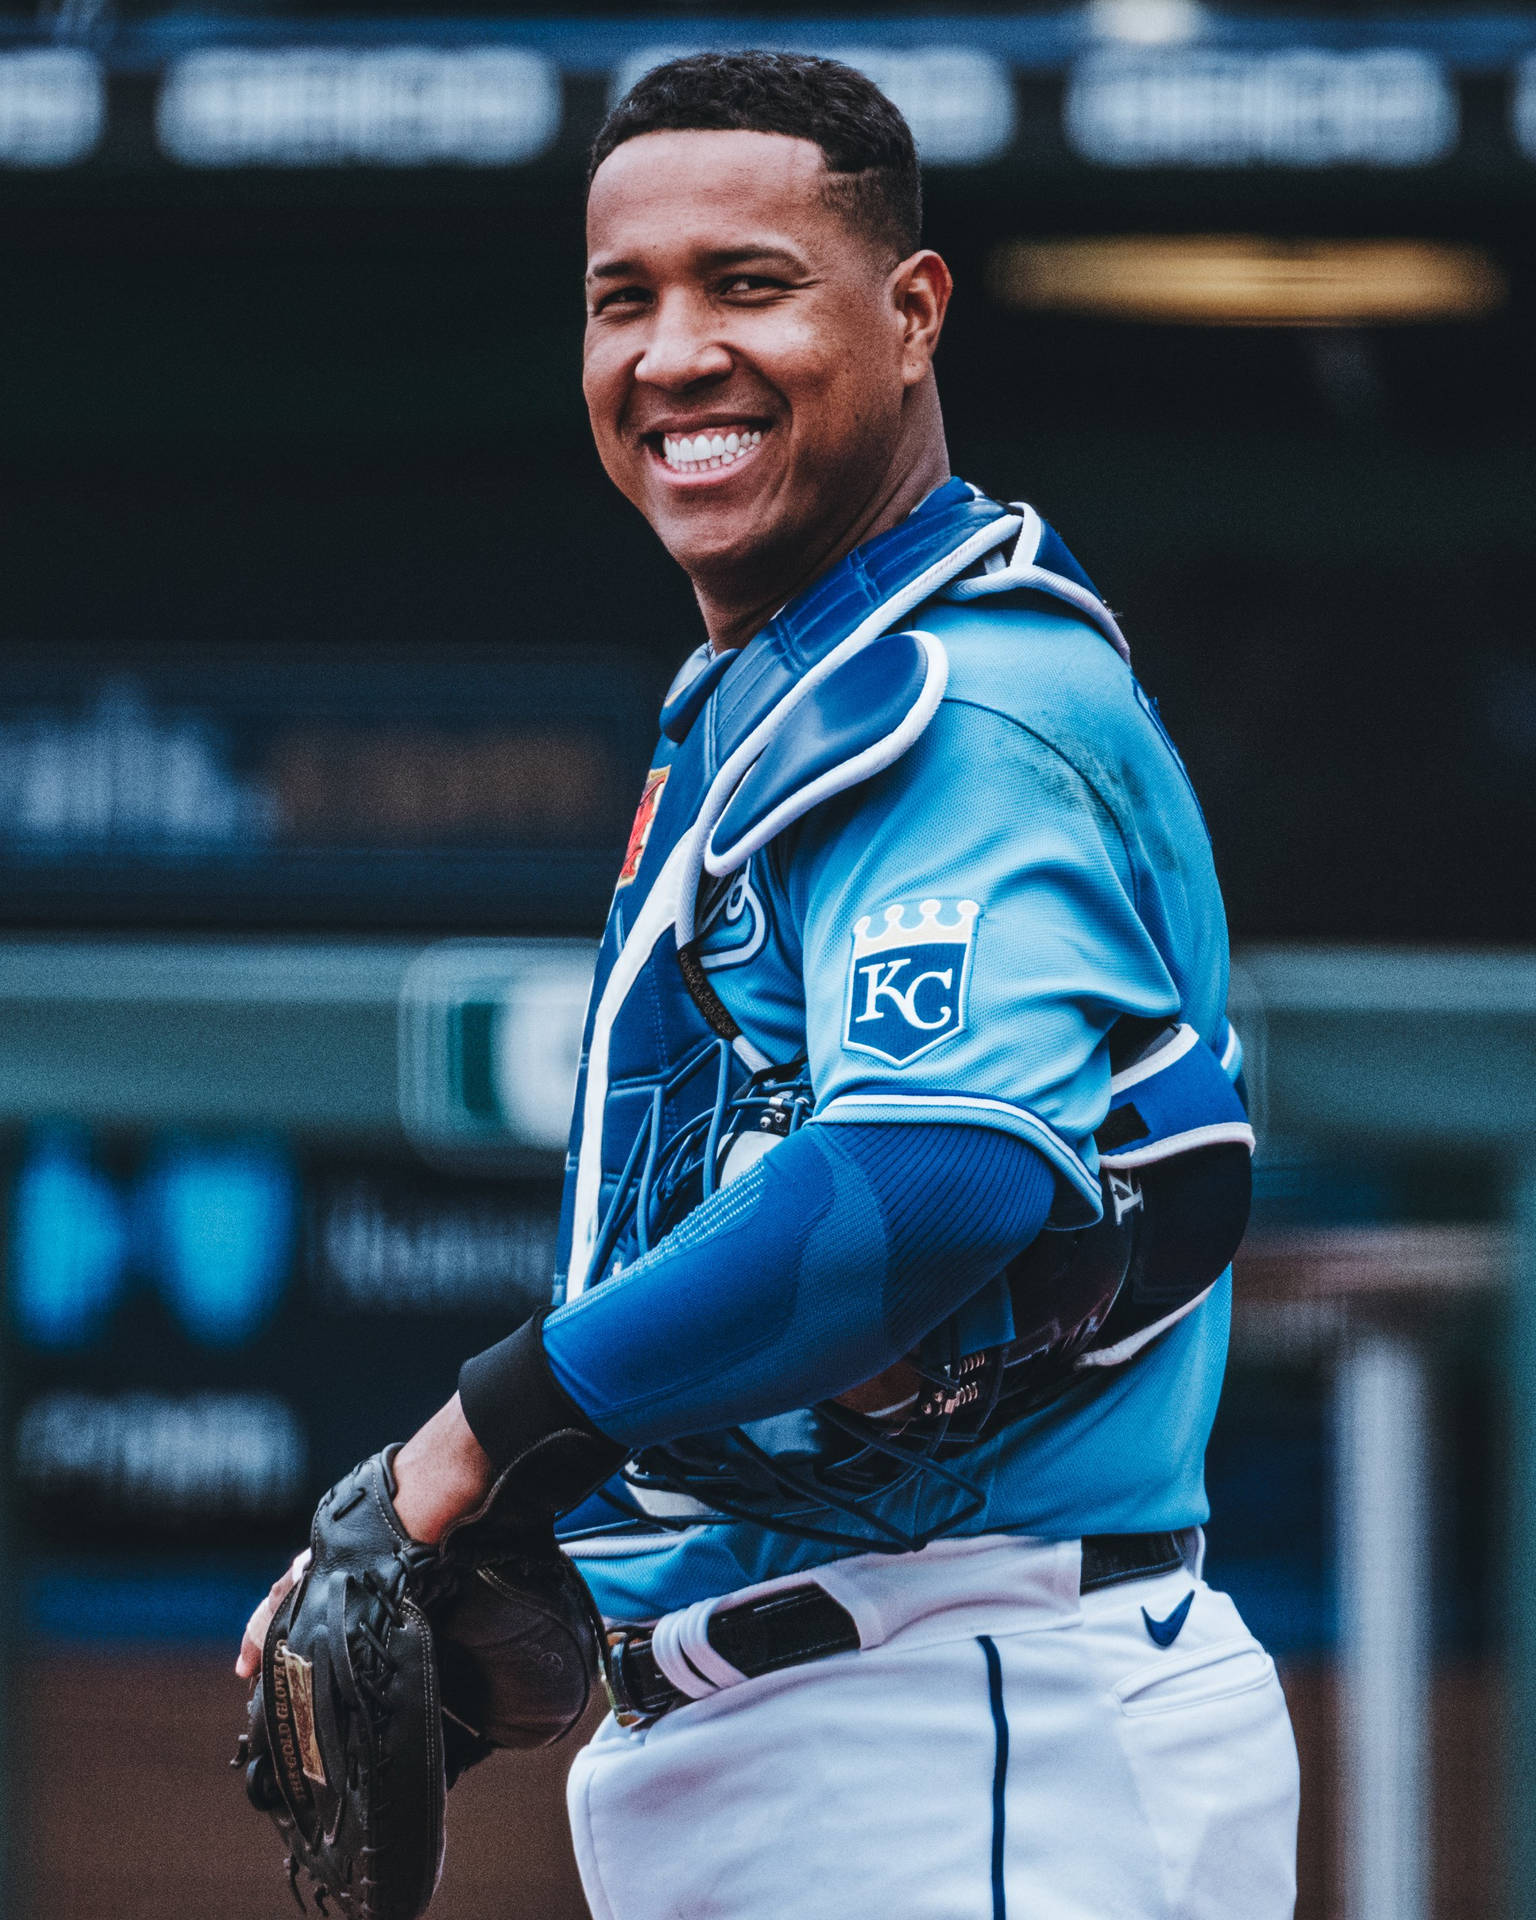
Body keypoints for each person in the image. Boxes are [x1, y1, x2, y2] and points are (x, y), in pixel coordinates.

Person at [239, 50, 1299, 1919]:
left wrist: (465, 1453)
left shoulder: (947, 702)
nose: (671, 354)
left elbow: (929, 1182)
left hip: (960, 1729)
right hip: (859, 1726)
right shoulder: (768, 694)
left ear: (912, 313)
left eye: (749, 284)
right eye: (620, 299)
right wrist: (535, 1538)